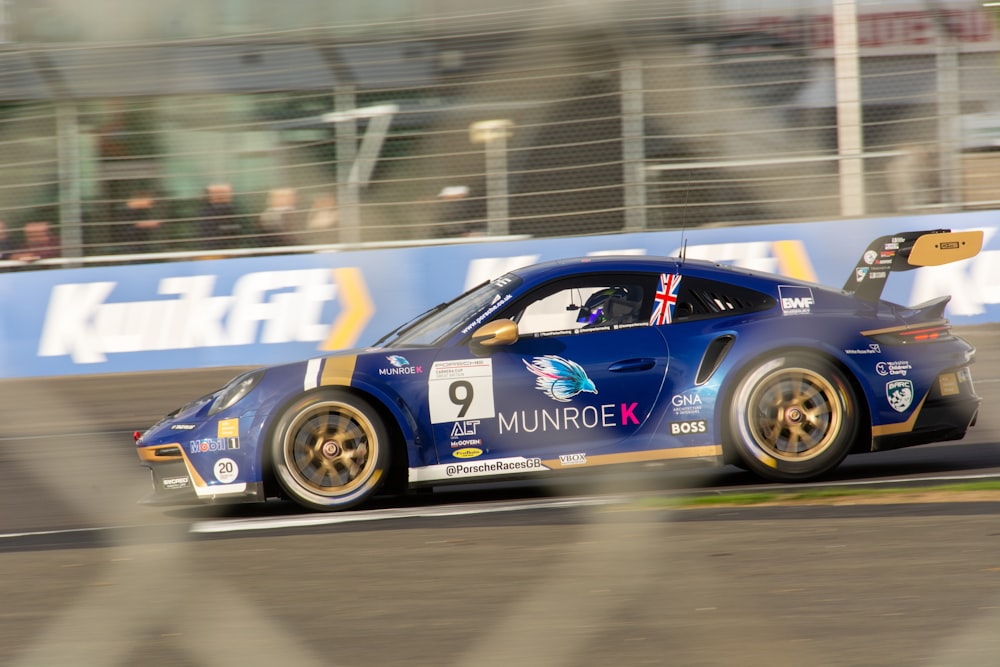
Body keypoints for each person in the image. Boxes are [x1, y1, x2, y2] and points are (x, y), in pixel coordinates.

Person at [198, 183, 245, 250]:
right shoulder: (207, 212)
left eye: (227, 193)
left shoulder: (236, 209)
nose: (223, 196)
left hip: (234, 249)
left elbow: (242, 228)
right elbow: (211, 231)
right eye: (219, 194)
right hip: (214, 250)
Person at [112, 190, 161, 254]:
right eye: (150, 203)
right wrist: (145, 224)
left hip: (138, 245)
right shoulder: (122, 210)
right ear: (140, 199)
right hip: (127, 246)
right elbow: (124, 229)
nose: (151, 206)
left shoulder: (139, 211)